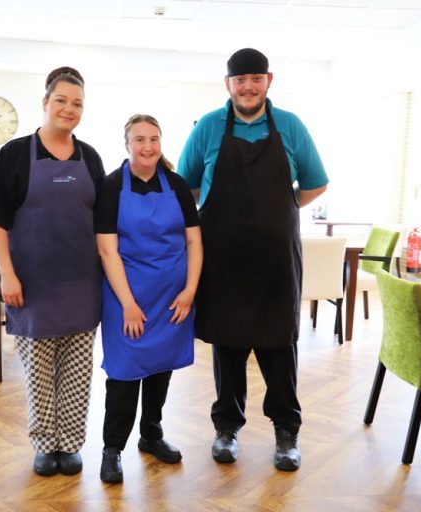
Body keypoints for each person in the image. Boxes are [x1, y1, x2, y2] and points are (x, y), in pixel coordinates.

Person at [177, 48, 328, 472]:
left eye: (255, 78)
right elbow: (186, 187)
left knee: (280, 348)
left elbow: (315, 184)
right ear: (228, 84)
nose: (247, 86)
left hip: (276, 263)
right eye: (239, 79)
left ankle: (286, 434)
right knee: (228, 348)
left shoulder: (291, 127)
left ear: (269, 81)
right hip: (223, 261)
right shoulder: (208, 127)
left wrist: (279, 210)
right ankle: (226, 429)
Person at [0, 66, 105, 477]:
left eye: (77, 103)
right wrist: (7, 275)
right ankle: (43, 444)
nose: (69, 109)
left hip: (82, 283)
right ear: (46, 102)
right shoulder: (15, 154)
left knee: (77, 372)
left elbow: (106, 224)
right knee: (37, 374)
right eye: (62, 100)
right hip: (31, 283)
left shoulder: (91, 157)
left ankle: (69, 445)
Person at [94, 114, 203, 484]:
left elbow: (194, 241)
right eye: (139, 140)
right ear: (127, 145)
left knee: (161, 367)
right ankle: (112, 449)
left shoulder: (175, 184)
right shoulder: (110, 187)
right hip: (127, 296)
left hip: (173, 297)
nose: (148, 147)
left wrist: (189, 291)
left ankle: (151, 434)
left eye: (154, 139)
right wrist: (127, 303)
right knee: (124, 375)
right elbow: (108, 251)